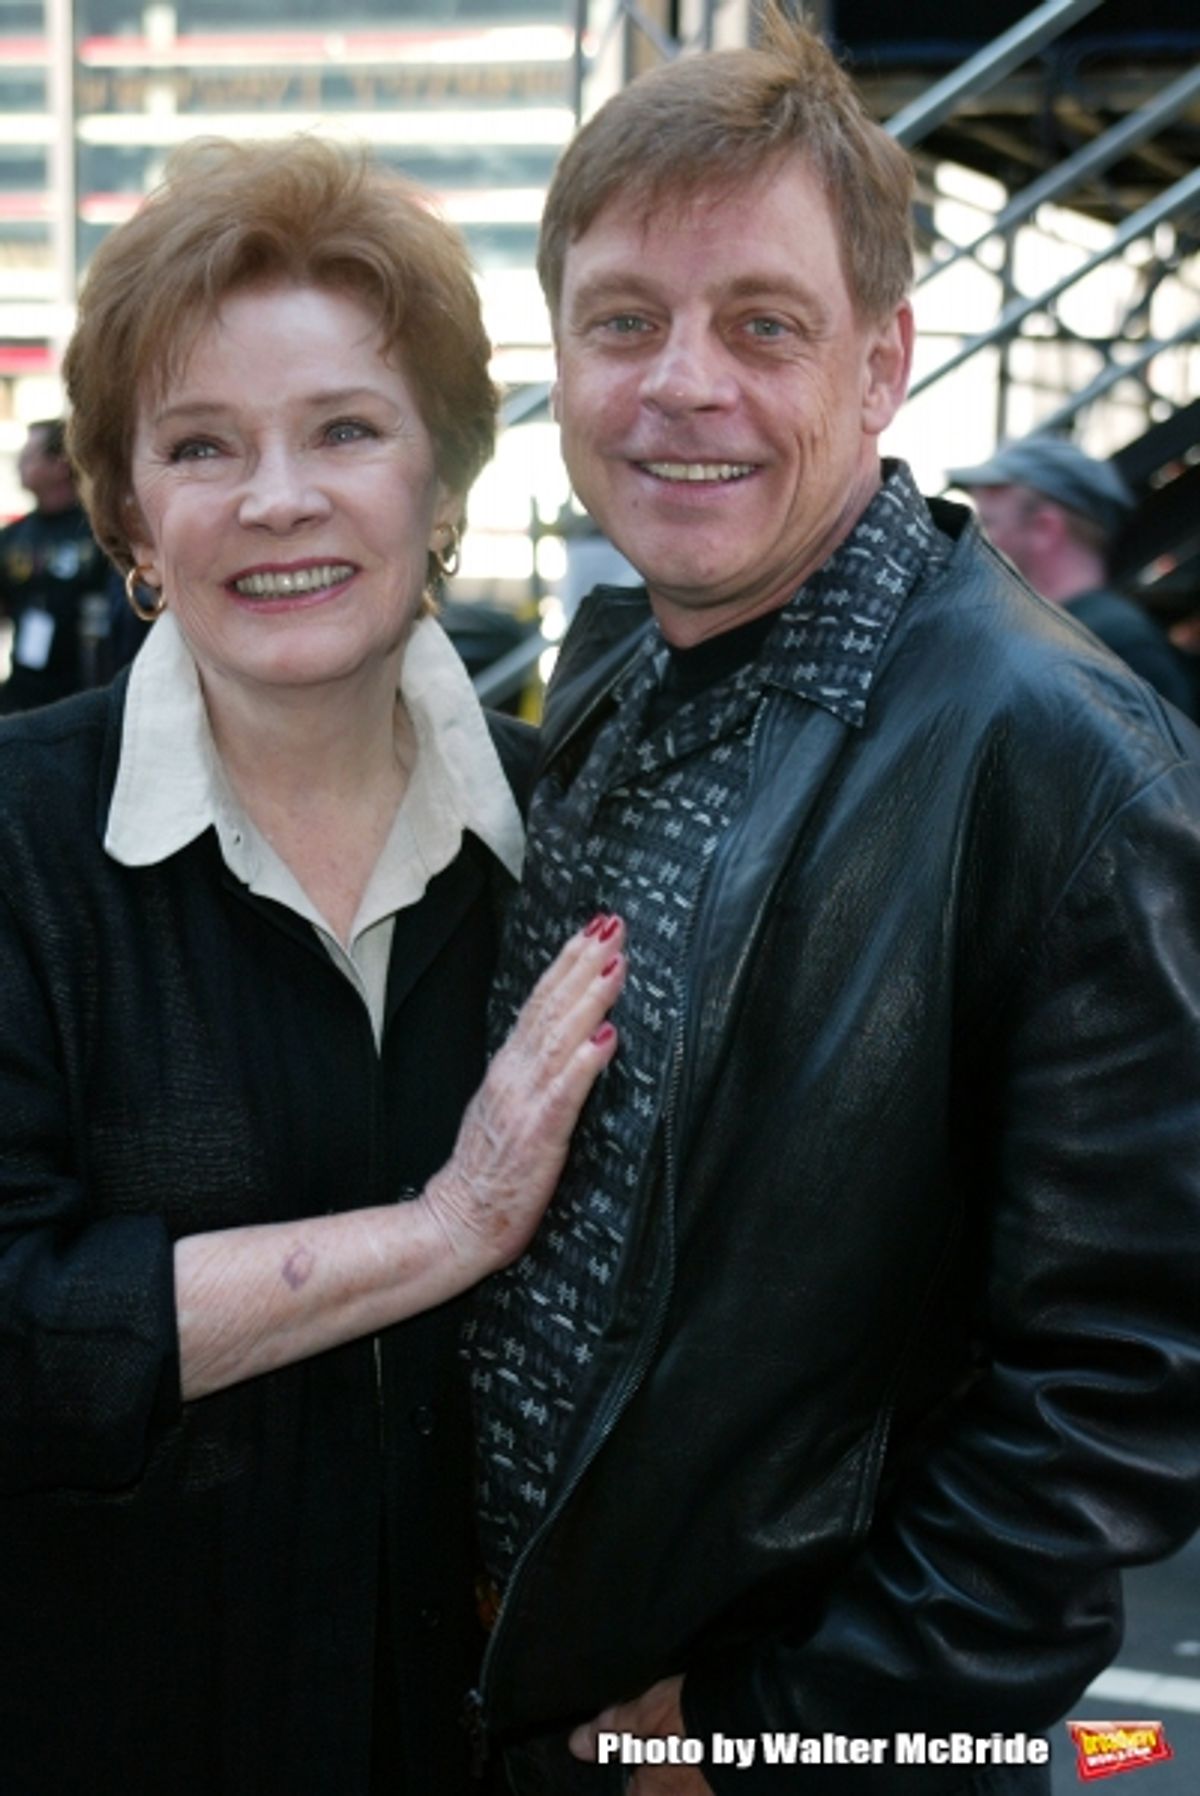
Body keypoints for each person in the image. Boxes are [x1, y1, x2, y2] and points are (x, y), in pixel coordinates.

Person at [462, 9, 1200, 1793]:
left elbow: (1120, 1381)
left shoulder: (1065, 762)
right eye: (623, 320)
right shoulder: (622, 657)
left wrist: (786, 1730)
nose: (680, 383)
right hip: (523, 1685)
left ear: (882, 367)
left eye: (762, 325)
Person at [0, 137, 628, 1796]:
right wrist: (442, 1230)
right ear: (134, 508)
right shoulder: (15, 843)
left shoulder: (582, 836)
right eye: (204, 445)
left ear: (445, 479)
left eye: (346, 429)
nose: (278, 499)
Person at [946, 435, 1196, 715]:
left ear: (1044, 528)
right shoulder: (1082, 637)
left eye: (988, 524)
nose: (978, 542)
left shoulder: (1115, 648)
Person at [0, 417, 124, 710]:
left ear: (61, 464)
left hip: (88, 693)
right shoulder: (13, 536)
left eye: (29, 456)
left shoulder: (101, 532)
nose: (19, 465)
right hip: (23, 691)